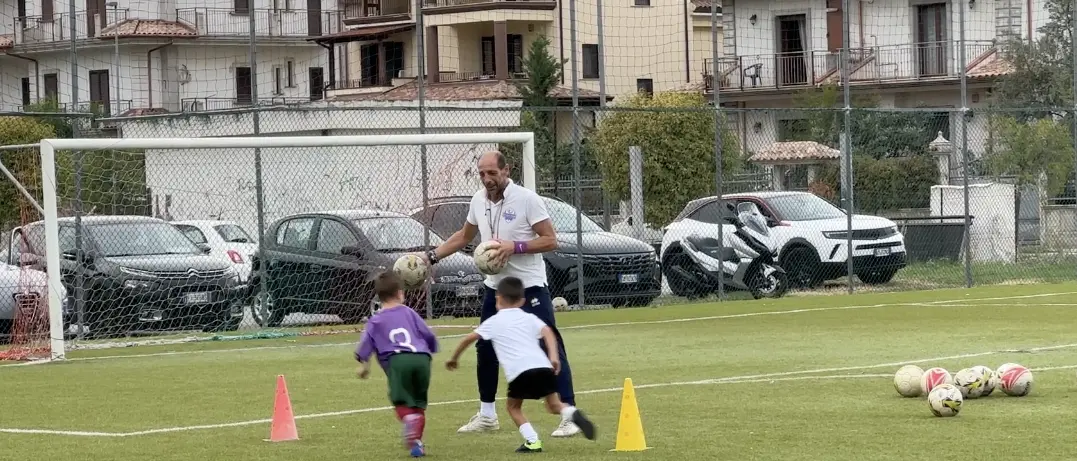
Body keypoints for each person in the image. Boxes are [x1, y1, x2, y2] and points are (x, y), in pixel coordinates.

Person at [421, 150, 581, 437]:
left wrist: (514, 246)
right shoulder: (478, 200)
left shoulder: (527, 199)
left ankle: (569, 413)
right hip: (495, 289)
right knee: (485, 348)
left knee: (549, 344)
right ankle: (487, 415)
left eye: (492, 173)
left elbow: (550, 240)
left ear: (507, 170)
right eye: (482, 174)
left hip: (529, 287)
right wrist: (430, 257)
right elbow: (464, 237)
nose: (487, 179)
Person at [445, 277, 596, 453]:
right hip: (544, 367)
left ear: (498, 298)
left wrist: (454, 358)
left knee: (513, 407)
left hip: (520, 373)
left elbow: (469, 338)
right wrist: (554, 356)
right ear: (523, 301)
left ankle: (532, 441)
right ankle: (572, 413)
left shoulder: (493, 321)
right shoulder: (529, 317)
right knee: (554, 405)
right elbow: (548, 331)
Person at [354, 271, 440, 458]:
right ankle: (416, 444)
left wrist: (364, 365)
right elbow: (428, 334)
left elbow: (366, 344)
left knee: (401, 402)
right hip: (422, 359)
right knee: (418, 404)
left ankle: (410, 421)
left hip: (398, 361)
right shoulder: (410, 313)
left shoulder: (375, 320)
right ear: (401, 293)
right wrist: (432, 348)